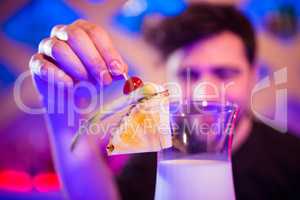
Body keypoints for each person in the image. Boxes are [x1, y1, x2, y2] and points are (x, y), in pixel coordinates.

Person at [29, 3, 300, 200]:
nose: (202, 94)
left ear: (254, 75)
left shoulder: (292, 159)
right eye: (186, 74)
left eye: (224, 73)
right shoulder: (152, 159)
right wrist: (60, 104)